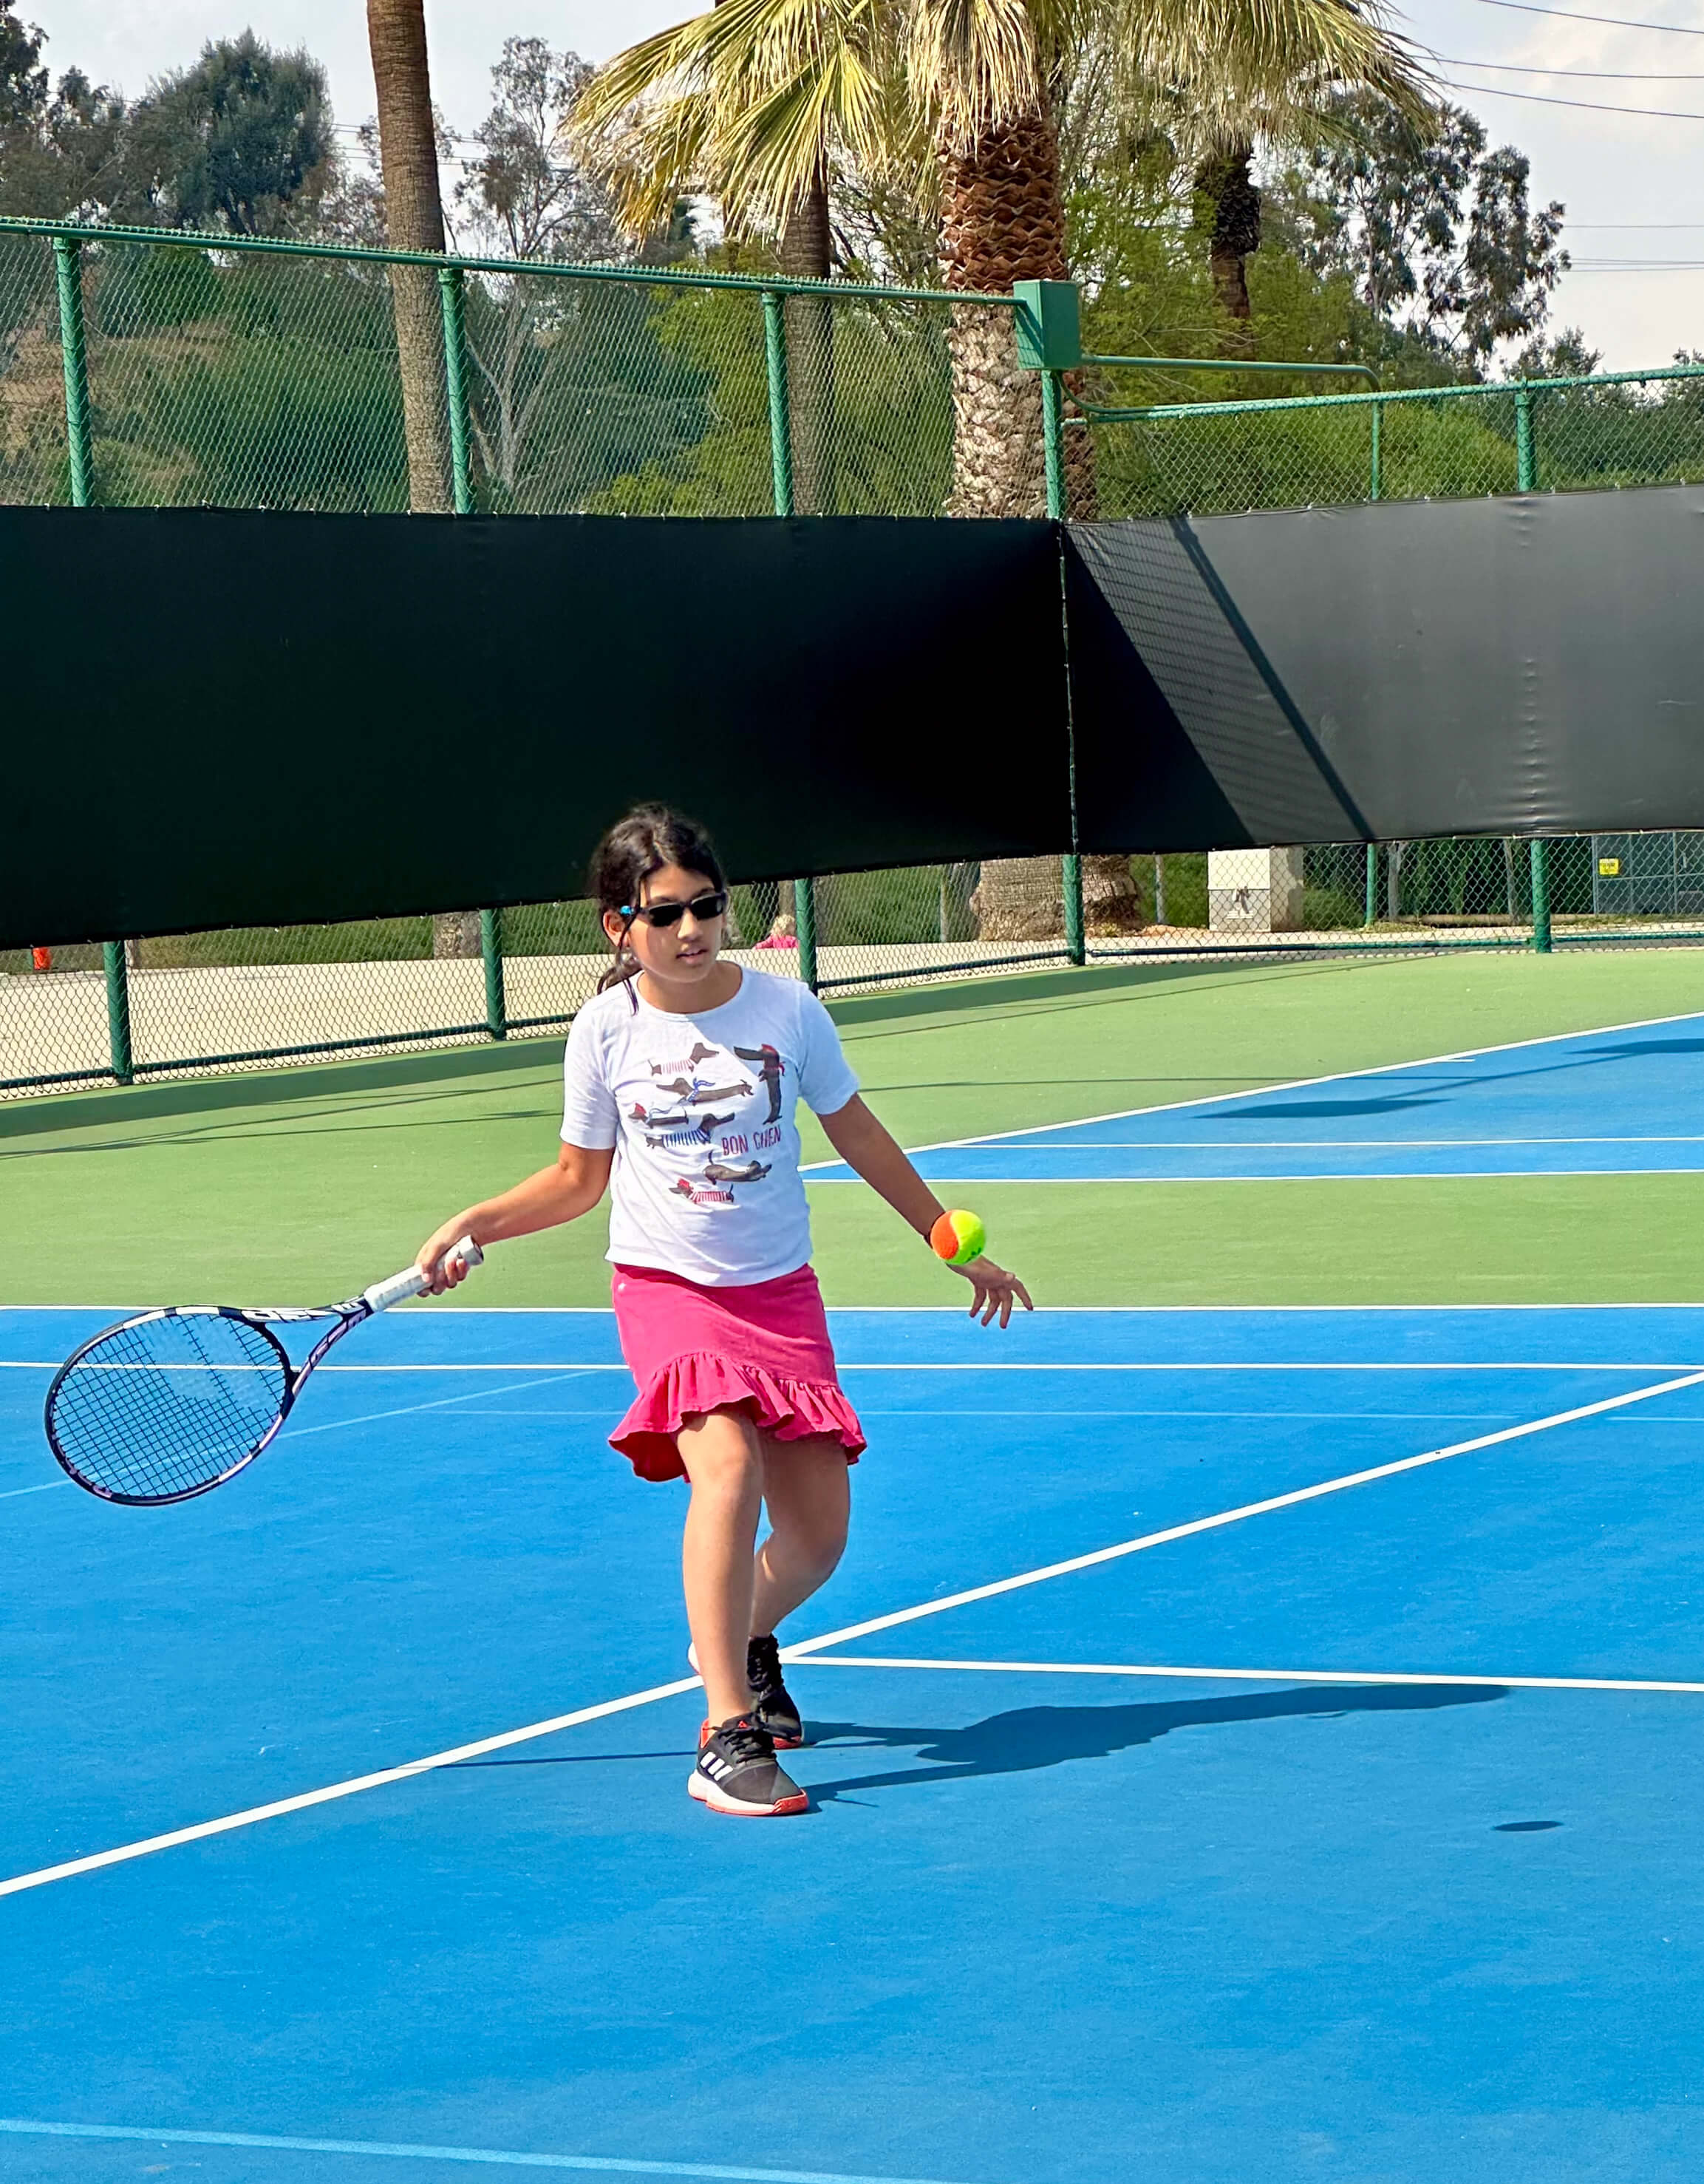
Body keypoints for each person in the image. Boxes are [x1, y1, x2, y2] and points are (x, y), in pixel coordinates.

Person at [415, 804, 1032, 1818]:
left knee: (819, 1537)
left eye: (706, 907)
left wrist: (940, 1239)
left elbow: (858, 1132)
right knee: (727, 1467)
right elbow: (577, 1181)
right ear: (619, 925)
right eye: (665, 915)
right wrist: (476, 1222)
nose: (692, 930)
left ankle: (740, 1636)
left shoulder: (787, 1012)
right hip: (666, 1289)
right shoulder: (604, 1029)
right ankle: (726, 1729)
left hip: (779, 1293)